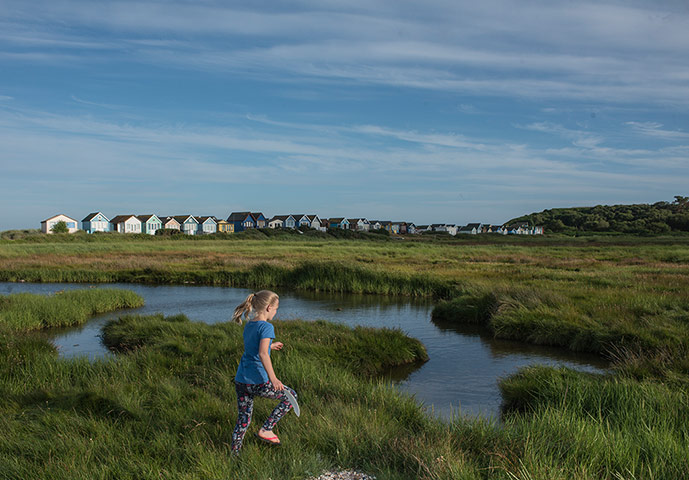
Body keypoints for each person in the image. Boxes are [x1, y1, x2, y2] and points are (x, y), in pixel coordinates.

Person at [230, 290, 297, 453]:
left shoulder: (250, 324)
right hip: (258, 381)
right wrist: (273, 379)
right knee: (291, 397)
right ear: (268, 308)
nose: (276, 312)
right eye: (276, 309)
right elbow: (262, 354)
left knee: (243, 419)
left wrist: (270, 346)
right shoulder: (267, 327)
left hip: (241, 380)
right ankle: (266, 429)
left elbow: (253, 348)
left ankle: (234, 454)